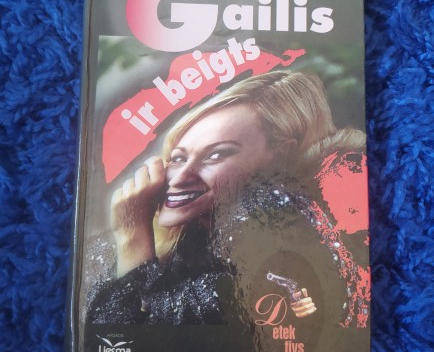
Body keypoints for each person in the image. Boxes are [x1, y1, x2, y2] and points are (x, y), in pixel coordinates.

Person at [87, 71, 369, 338]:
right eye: (178, 158)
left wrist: (132, 239)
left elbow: (128, 344)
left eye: (216, 155)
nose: (181, 177)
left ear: (281, 156)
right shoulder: (196, 239)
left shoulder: (268, 241)